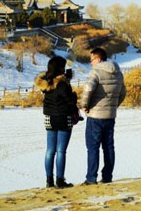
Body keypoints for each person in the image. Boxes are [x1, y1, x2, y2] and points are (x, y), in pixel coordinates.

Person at [81, 47, 126, 185]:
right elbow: (123, 93)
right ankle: (107, 177)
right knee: (108, 146)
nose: (91, 63)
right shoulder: (118, 73)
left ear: (98, 59)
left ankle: (91, 178)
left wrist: (84, 105)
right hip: (110, 116)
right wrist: (113, 106)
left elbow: (88, 89)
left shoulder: (96, 72)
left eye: (92, 59)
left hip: (95, 115)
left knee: (93, 147)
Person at [35, 56, 78, 188]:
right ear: (60, 68)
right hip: (64, 118)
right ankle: (60, 180)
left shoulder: (45, 83)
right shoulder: (62, 84)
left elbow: (51, 84)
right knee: (61, 151)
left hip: (49, 118)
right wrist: (73, 94)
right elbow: (69, 100)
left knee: (50, 150)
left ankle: (49, 181)